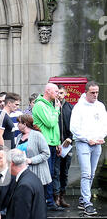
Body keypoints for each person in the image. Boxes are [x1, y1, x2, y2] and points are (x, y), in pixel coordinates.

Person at [70, 80, 107, 215]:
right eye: (92, 92)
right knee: (86, 173)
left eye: (97, 92)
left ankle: (82, 199)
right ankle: (87, 202)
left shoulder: (100, 106)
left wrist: (100, 137)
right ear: (86, 92)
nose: (95, 95)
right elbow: (74, 127)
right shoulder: (79, 107)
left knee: (91, 173)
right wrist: (87, 139)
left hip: (97, 143)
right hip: (84, 143)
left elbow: (104, 125)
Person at [32, 83, 63, 211]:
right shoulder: (40, 105)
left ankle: (49, 201)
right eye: (55, 91)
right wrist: (56, 110)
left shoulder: (49, 105)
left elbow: (55, 128)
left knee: (52, 173)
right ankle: (47, 202)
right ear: (48, 91)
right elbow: (50, 123)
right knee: (46, 174)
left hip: (52, 144)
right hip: (44, 144)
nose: (57, 94)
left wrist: (57, 143)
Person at [15, 114, 51, 192]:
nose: (17, 125)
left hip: (37, 173)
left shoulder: (37, 135)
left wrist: (31, 160)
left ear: (24, 124)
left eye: (19, 123)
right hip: (23, 174)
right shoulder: (18, 137)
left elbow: (46, 153)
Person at [53, 85, 74, 208]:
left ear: (65, 93)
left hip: (67, 146)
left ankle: (62, 196)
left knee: (64, 173)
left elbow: (75, 126)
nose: (59, 95)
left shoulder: (70, 108)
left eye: (61, 93)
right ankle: (55, 197)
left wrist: (70, 138)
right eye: (57, 93)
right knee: (55, 172)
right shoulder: (51, 107)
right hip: (55, 145)